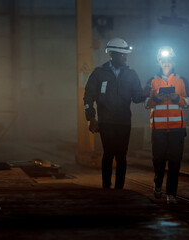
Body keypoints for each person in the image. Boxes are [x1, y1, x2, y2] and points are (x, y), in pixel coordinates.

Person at [83, 37, 144, 189]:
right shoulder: (99, 73)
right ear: (112, 55)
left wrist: (146, 93)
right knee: (109, 154)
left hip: (123, 122)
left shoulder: (131, 74)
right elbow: (88, 96)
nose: (125, 57)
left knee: (121, 155)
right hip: (106, 121)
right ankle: (106, 188)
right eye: (122, 54)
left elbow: (137, 98)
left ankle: (119, 189)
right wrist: (91, 117)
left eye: (126, 54)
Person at [144, 46, 189, 204]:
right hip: (158, 130)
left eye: (169, 60)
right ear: (159, 61)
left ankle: (171, 194)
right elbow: (145, 102)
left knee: (175, 161)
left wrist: (177, 97)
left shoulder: (181, 80)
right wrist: (155, 98)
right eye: (163, 60)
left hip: (177, 129)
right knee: (158, 160)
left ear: (173, 61)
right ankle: (158, 183)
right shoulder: (152, 81)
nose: (166, 63)